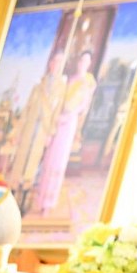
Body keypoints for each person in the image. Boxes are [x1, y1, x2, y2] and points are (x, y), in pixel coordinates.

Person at [36, 50, 97, 214]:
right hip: (57, 121)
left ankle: (49, 201)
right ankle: (40, 197)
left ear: (89, 63)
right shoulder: (69, 80)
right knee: (49, 159)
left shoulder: (88, 82)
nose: (83, 64)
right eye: (81, 60)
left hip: (69, 123)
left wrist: (67, 116)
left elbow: (83, 106)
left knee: (58, 161)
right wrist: (56, 116)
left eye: (86, 61)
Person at [5, 50, 67, 213]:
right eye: (54, 61)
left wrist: (50, 133)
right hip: (30, 127)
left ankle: (23, 200)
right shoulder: (38, 86)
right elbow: (27, 110)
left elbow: (56, 112)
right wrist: (18, 132)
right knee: (20, 159)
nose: (55, 65)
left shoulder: (61, 88)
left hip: (42, 131)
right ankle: (12, 196)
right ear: (50, 63)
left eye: (59, 62)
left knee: (32, 163)